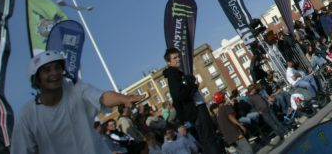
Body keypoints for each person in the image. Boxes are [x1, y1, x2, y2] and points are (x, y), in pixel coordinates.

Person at [11, 51, 142, 154]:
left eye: (58, 67)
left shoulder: (77, 90)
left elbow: (103, 97)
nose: (54, 73)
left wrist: (125, 99)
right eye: (47, 70)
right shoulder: (26, 116)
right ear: (36, 78)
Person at [161, 48, 222, 154]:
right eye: (175, 58)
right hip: (196, 109)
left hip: (197, 108)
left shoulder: (177, 73)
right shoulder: (173, 74)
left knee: (208, 138)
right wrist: (193, 86)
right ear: (169, 61)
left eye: (178, 56)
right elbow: (178, 95)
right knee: (209, 139)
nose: (178, 59)